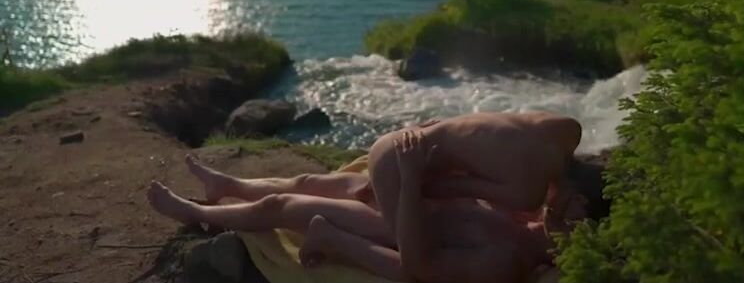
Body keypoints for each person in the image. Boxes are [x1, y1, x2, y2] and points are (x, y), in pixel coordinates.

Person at [147, 141, 599, 283]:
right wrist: (412, 175)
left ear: (580, 239)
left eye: (571, 210)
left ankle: (195, 213)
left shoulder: (506, 261)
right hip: (404, 197)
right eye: (566, 199)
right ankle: (228, 186)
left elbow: (418, 265)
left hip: (391, 225)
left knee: (279, 206)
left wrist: (341, 241)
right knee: (305, 180)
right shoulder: (529, 214)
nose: (560, 204)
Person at [368, 112, 582, 234]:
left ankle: (369, 191)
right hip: (397, 160)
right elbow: (446, 187)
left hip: (411, 135)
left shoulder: (568, 130)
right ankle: (345, 224)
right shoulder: (527, 194)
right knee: (410, 246)